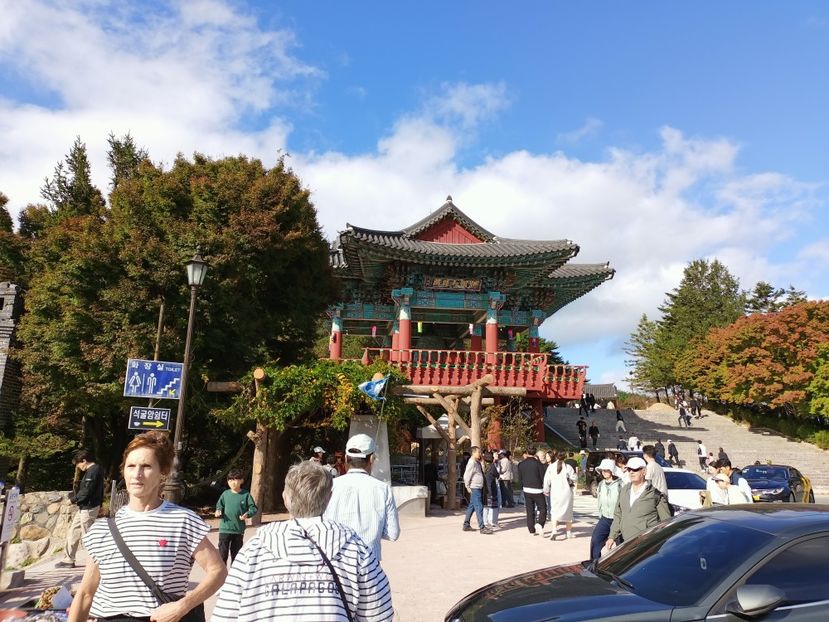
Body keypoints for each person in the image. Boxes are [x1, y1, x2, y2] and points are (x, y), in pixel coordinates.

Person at [69, 432, 226, 622]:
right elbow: (86, 593)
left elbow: (218, 571)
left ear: (163, 472)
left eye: (146, 466)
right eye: (131, 466)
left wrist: (182, 605)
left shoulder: (183, 521)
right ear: (124, 471)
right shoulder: (101, 530)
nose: (137, 474)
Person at [212, 461, 394, 622]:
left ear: (285, 498)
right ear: (329, 498)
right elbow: (379, 614)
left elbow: (224, 614)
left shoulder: (253, 550)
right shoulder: (356, 550)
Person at [323, 433, 401, 560]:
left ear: (347, 458)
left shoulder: (331, 485)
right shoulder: (383, 489)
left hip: (336, 564)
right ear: (371, 459)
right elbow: (393, 533)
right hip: (369, 566)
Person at [606, 457, 671, 550]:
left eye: (635, 469)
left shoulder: (655, 494)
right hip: (625, 542)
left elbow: (666, 521)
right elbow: (618, 515)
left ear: (644, 471)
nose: (631, 472)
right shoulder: (624, 490)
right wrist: (612, 536)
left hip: (646, 544)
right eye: (629, 469)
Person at [56, 450, 105, 568]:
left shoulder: (93, 471)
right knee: (74, 531)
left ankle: (94, 562)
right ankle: (69, 559)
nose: (78, 467)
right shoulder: (94, 470)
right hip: (85, 507)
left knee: (87, 535)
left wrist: (72, 500)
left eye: (78, 464)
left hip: (89, 507)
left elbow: (87, 491)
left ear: (84, 461)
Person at [215, 469, 258, 565]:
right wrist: (218, 511)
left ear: (241, 480)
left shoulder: (246, 495)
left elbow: (253, 508)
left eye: (235, 480)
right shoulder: (225, 494)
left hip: (238, 530)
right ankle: (222, 576)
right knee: (222, 554)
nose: (233, 483)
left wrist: (248, 514)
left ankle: (234, 575)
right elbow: (219, 506)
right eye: (230, 480)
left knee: (236, 555)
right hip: (225, 529)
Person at [590, 458, 621, 560]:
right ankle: (594, 563)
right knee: (595, 540)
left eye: (606, 470)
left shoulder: (620, 484)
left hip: (619, 519)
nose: (604, 472)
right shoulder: (601, 484)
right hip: (605, 518)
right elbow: (599, 501)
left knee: (621, 545)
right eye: (602, 470)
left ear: (612, 471)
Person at [543, 450, 575, 540]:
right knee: (568, 512)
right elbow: (574, 478)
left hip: (555, 492)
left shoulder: (551, 467)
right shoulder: (568, 467)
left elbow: (546, 480)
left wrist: (546, 490)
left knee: (554, 511)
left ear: (556, 457)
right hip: (566, 492)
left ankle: (554, 530)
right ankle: (568, 532)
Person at [460, 446, 491, 534]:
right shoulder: (471, 463)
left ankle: (466, 525)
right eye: (478, 452)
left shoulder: (477, 462)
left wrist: (482, 462)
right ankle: (482, 527)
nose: (480, 454)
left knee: (472, 507)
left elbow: (482, 472)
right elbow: (466, 476)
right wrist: (467, 487)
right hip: (475, 487)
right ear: (473, 453)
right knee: (479, 507)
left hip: (478, 487)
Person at [517, 447, 547, 535]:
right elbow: (542, 476)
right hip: (537, 489)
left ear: (527, 452)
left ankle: (531, 529)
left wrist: (522, 486)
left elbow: (520, 478)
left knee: (529, 510)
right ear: (535, 453)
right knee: (543, 508)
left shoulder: (521, 464)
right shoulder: (538, 464)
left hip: (526, 489)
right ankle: (540, 523)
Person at [482, 452, 501, 531]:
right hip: (491, 489)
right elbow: (497, 475)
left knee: (485, 506)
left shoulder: (482, 466)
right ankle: (493, 522)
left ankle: (485, 521)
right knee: (493, 506)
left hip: (484, 488)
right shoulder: (492, 467)